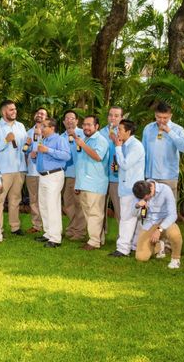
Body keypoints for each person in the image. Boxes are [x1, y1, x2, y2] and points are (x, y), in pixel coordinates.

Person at [0, 100, 27, 235]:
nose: (14, 111)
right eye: (11, 110)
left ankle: (15, 227)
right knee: (0, 200)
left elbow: (25, 147)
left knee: (16, 199)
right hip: (4, 170)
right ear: (3, 112)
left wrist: (29, 144)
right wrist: (5, 141)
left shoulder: (21, 126)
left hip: (20, 169)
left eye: (15, 109)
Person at [108, 120, 145, 257]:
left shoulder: (135, 146)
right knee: (131, 219)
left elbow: (125, 164)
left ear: (128, 132)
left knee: (127, 219)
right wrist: (115, 170)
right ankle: (133, 246)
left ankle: (123, 249)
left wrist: (117, 147)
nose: (118, 133)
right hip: (126, 187)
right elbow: (123, 168)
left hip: (132, 189)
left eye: (120, 130)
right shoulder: (125, 145)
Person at [32, 117, 71, 248]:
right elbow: (42, 159)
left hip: (54, 175)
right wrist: (34, 157)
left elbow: (67, 156)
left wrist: (48, 150)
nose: (41, 128)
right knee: (43, 205)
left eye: (44, 126)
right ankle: (48, 233)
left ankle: (55, 238)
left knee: (52, 205)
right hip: (42, 176)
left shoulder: (60, 139)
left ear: (52, 128)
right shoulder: (43, 140)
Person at [142, 102, 184, 203]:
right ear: (155, 115)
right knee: (150, 211)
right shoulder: (148, 129)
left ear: (170, 116)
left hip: (169, 177)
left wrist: (169, 132)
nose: (162, 121)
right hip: (150, 177)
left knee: (169, 210)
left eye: (165, 118)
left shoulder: (178, 129)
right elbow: (143, 152)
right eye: (159, 117)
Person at [74, 115, 110, 250]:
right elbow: (81, 164)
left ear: (97, 126)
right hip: (84, 183)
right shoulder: (85, 140)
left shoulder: (100, 140)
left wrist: (82, 145)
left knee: (95, 213)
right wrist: (78, 184)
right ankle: (97, 238)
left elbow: (98, 156)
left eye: (89, 125)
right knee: (88, 213)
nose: (86, 127)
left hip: (95, 183)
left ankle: (94, 242)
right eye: (84, 125)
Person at [132, 180, 182, 269]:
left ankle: (176, 259)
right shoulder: (140, 190)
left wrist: (159, 230)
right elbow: (134, 214)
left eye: (147, 198)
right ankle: (159, 246)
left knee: (174, 234)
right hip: (150, 223)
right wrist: (137, 206)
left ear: (151, 188)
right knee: (141, 257)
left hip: (166, 221)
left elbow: (173, 215)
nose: (146, 200)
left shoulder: (165, 190)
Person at [60, 109, 85, 241]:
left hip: (79, 175)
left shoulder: (83, 134)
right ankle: (71, 229)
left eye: (72, 118)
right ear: (64, 122)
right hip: (65, 175)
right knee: (68, 204)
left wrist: (75, 137)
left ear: (77, 121)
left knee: (79, 204)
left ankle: (80, 232)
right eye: (67, 119)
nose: (69, 120)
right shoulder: (61, 137)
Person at [24, 108, 48, 235]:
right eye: (38, 113)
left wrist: (41, 135)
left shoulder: (49, 132)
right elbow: (25, 150)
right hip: (31, 172)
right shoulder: (28, 132)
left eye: (43, 114)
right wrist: (28, 147)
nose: (40, 115)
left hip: (45, 171)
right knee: (33, 200)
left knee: (45, 199)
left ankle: (48, 225)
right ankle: (37, 225)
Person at [99, 106, 123, 229]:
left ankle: (123, 240)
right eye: (110, 115)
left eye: (116, 115)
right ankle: (99, 236)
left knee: (120, 210)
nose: (112, 118)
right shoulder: (100, 133)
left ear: (121, 118)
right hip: (101, 177)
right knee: (99, 210)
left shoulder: (124, 134)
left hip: (116, 178)